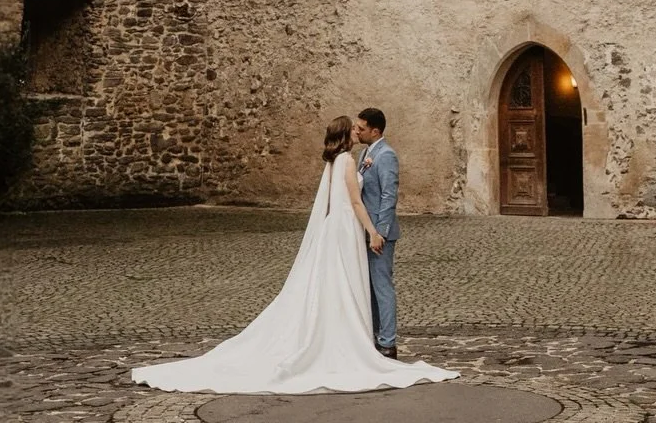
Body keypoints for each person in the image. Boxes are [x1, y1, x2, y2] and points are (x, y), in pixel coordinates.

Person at [130, 115, 457, 395]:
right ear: (346, 136)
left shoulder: (338, 160)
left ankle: (363, 334)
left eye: (361, 128)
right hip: (347, 229)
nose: (358, 132)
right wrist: (373, 231)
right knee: (347, 282)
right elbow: (356, 202)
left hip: (338, 228)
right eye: (354, 129)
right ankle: (361, 339)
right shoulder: (347, 161)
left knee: (338, 283)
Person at [352, 108, 399, 358]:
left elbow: (388, 196)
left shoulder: (386, 155)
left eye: (361, 128)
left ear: (375, 131)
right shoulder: (364, 155)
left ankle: (388, 342)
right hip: (364, 231)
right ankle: (376, 335)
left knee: (382, 286)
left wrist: (379, 232)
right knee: (369, 287)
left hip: (380, 235)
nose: (357, 131)